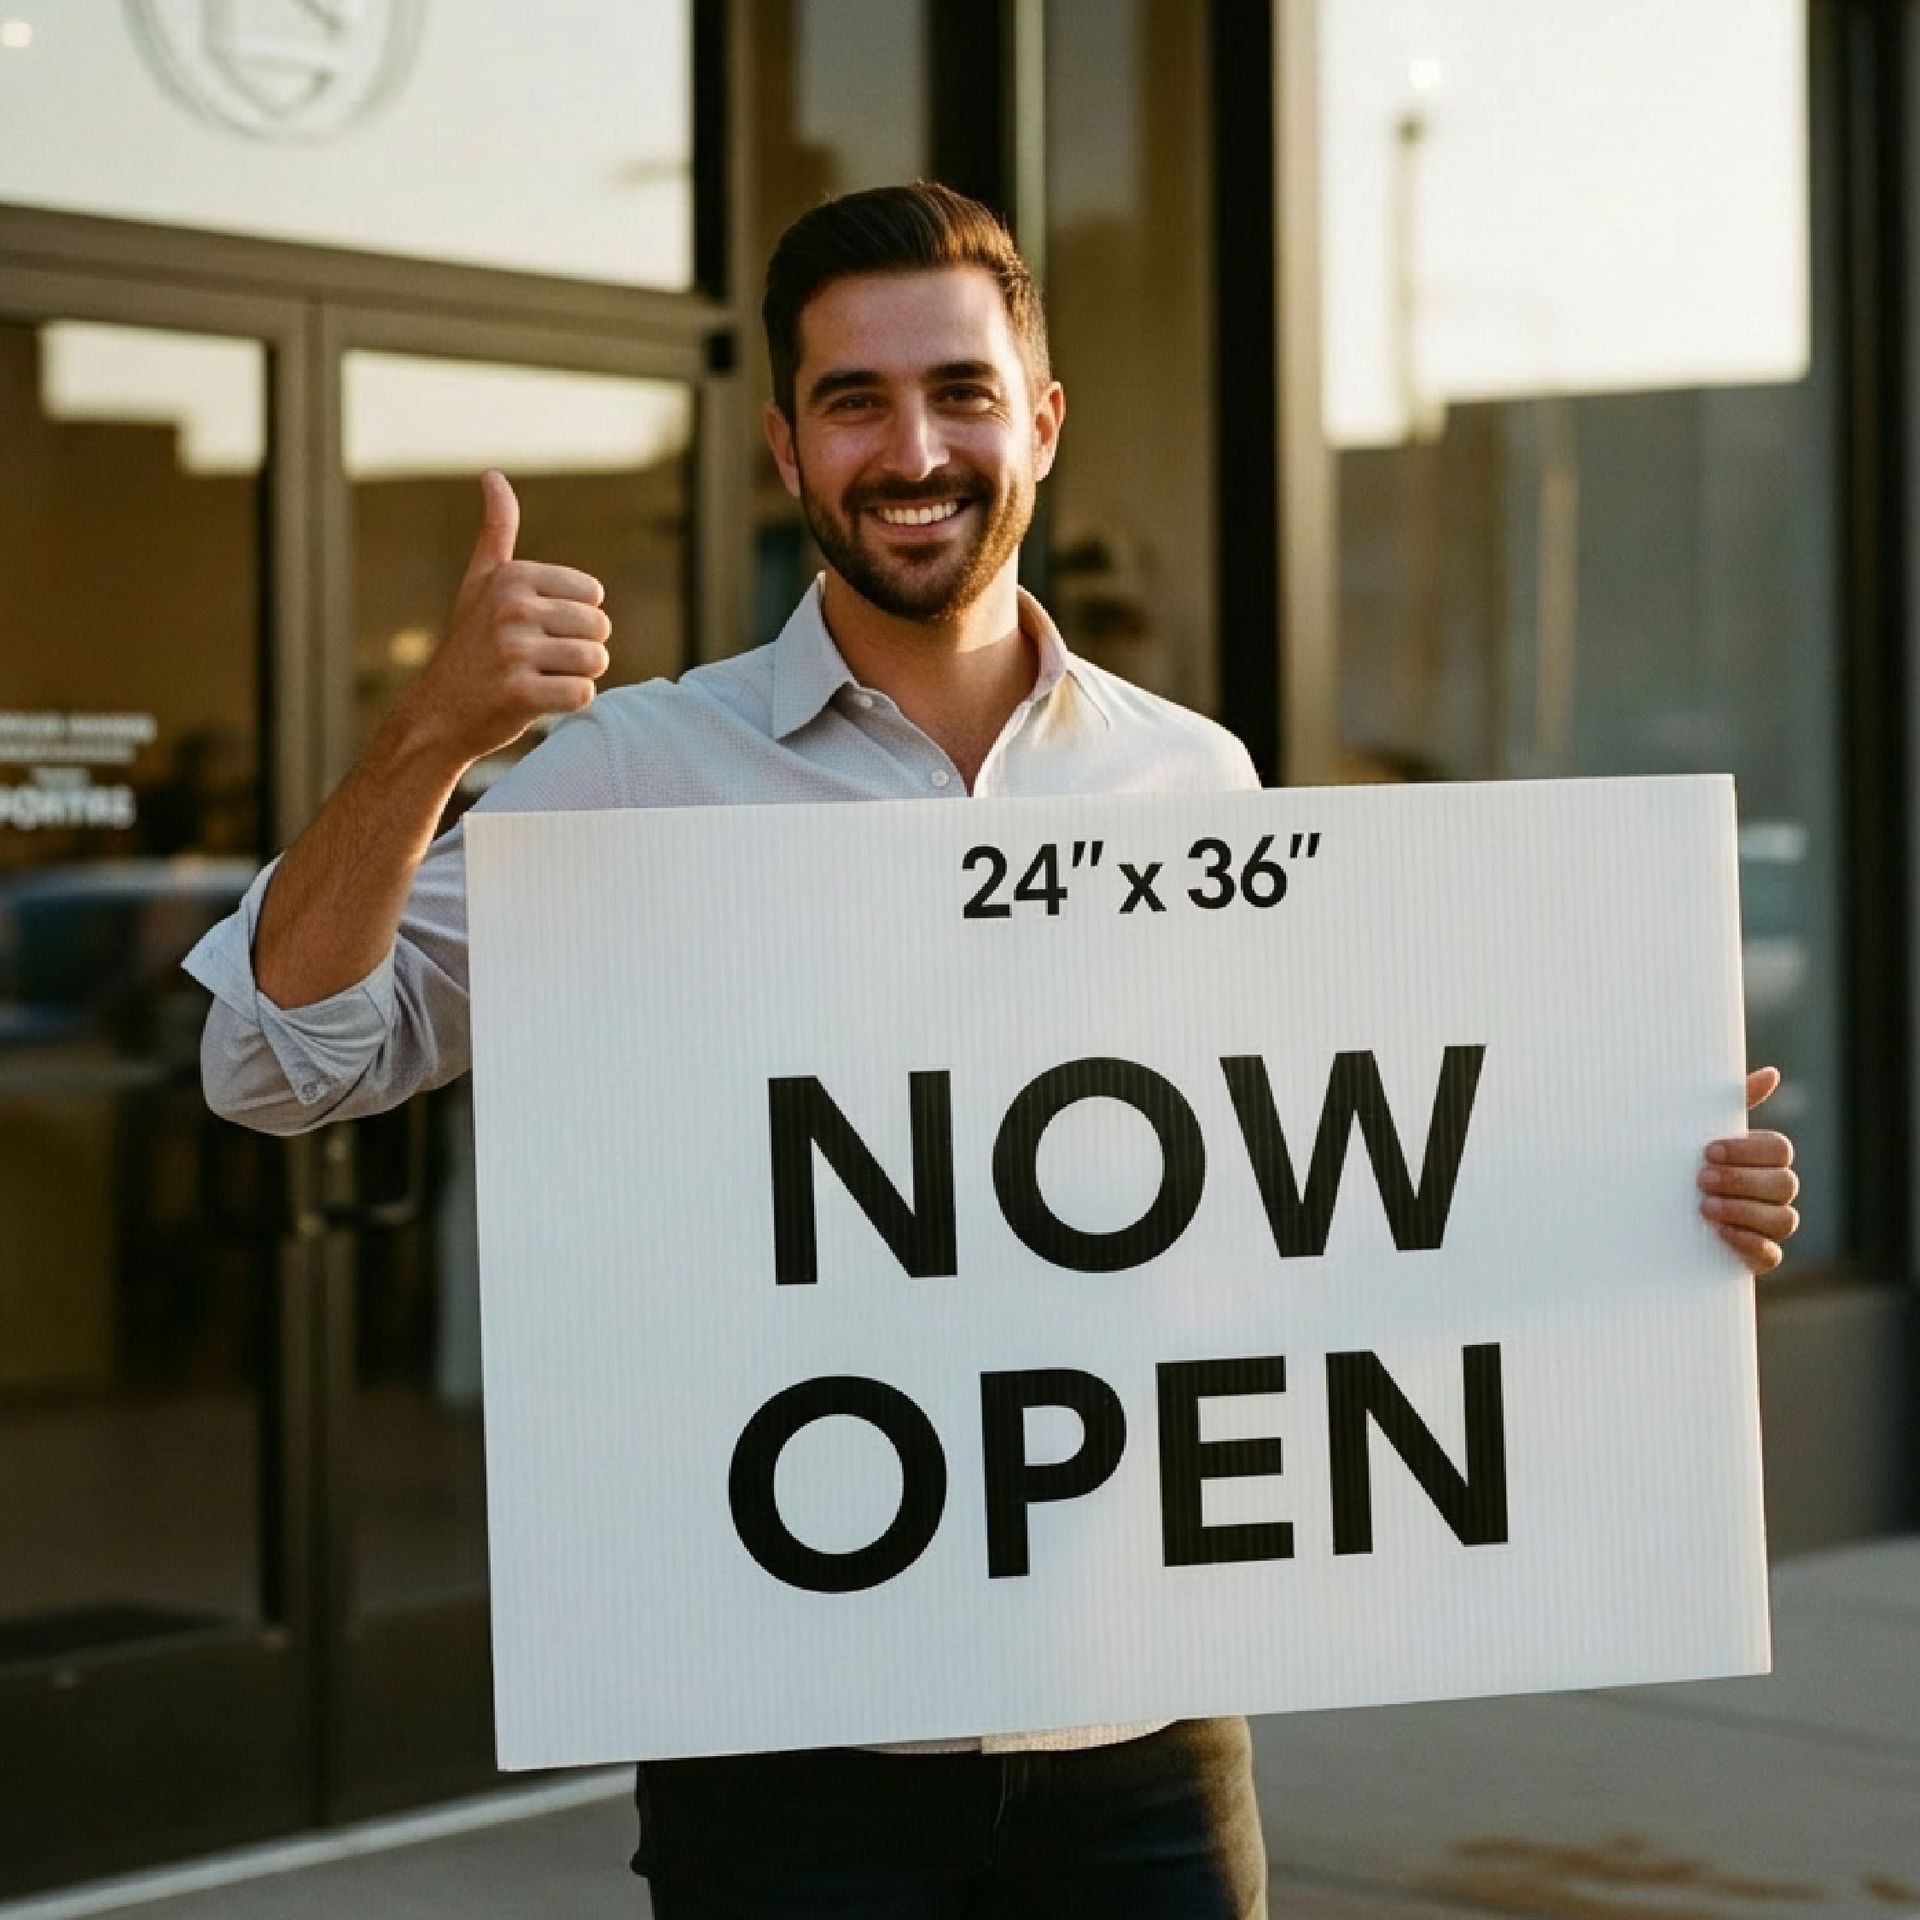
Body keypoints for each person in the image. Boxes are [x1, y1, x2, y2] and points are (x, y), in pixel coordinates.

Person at [186, 182, 1801, 1918]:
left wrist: (1642, 1200)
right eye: (855, 401)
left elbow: (1301, 1198)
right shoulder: (637, 777)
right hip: (787, 1756)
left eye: (959, 391)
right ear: (787, 451)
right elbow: (282, 1060)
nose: (914, 447)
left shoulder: (1191, 781)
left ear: (1038, 421)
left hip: (1150, 1741)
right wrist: (430, 741)